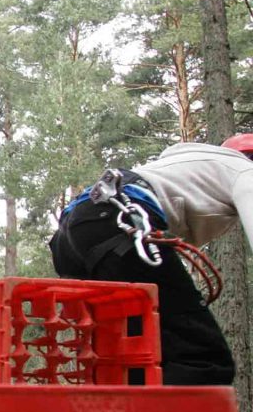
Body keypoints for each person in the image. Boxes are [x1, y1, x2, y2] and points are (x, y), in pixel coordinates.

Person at [48, 137, 253, 386]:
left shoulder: (185, 166)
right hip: (119, 224)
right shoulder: (243, 170)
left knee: (133, 356)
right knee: (201, 360)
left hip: (77, 233)